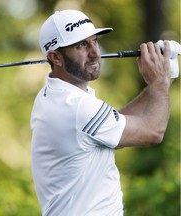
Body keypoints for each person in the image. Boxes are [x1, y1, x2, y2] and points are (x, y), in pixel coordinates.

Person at [30, 9, 178, 216]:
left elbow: (116, 127)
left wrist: (163, 79)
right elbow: (153, 132)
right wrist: (159, 82)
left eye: (94, 41)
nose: (95, 53)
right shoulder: (76, 106)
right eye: (81, 45)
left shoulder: (55, 96)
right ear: (55, 57)